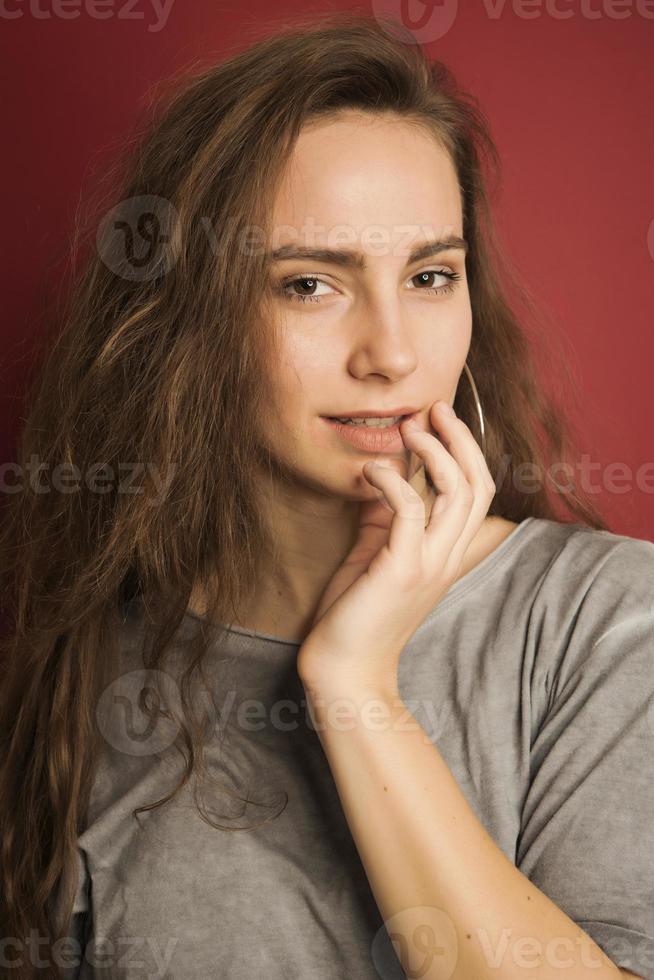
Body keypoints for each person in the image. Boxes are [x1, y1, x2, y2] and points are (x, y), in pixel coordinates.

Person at [1, 11, 652, 980]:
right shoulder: (90, 660)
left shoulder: (606, 619)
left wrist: (353, 683)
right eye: (310, 284)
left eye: (431, 274)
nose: (391, 352)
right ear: (191, 317)